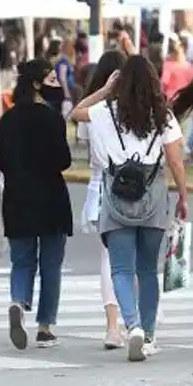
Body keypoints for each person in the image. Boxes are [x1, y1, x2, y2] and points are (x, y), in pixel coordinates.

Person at [71, 54, 187, 362]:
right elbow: (175, 161)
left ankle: (132, 325)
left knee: (121, 269)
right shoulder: (163, 115)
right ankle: (148, 335)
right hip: (154, 199)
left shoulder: (105, 111)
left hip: (116, 197)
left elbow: (75, 112)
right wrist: (184, 198)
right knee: (147, 270)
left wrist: (105, 90)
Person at [0, 59, 72, 350]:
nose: (56, 83)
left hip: (17, 197)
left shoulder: (8, 119)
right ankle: (45, 326)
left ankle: (18, 301)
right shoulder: (52, 118)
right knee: (51, 264)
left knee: (22, 260)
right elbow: (63, 160)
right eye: (52, 78)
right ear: (38, 83)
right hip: (51, 197)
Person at [75, 50, 127, 349]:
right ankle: (128, 320)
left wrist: (102, 92)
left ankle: (111, 325)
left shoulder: (94, 109)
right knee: (129, 260)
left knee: (108, 260)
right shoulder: (130, 109)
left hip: (98, 188)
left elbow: (79, 126)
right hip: (128, 188)